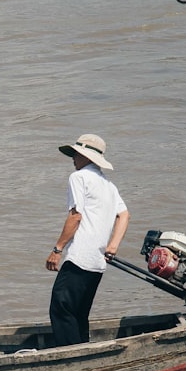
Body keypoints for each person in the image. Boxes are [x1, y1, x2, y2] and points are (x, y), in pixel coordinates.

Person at [46, 134, 130, 346]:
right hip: (98, 262)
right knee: (79, 314)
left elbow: (75, 216)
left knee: (61, 308)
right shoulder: (109, 186)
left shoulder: (79, 177)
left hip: (80, 257)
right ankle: (84, 351)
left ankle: (71, 356)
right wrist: (112, 246)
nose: (73, 158)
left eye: (76, 154)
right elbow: (124, 215)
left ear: (87, 157)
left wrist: (57, 250)